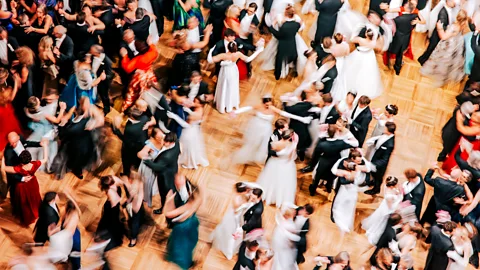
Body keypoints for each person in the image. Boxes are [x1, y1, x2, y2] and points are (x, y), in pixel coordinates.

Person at [211, 41, 263, 113]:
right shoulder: (238, 54)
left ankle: (222, 105)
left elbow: (211, 60)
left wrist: (211, 51)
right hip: (233, 71)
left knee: (224, 86)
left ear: (228, 48)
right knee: (232, 87)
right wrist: (258, 51)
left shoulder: (224, 55)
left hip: (225, 72)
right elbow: (248, 59)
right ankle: (230, 104)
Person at [3, 143, 48, 225]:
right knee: (34, 198)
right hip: (32, 183)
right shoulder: (34, 164)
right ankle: (35, 211)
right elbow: (45, 159)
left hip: (22, 187)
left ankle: (26, 217)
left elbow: (4, 168)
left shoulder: (19, 168)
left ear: (21, 162)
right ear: (30, 159)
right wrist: (45, 146)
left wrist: (2, 158)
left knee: (23, 202)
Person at [420, 10, 467, 87]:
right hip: (454, 46)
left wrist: (439, 28)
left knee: (441, 62)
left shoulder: (454, 27)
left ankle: (439, 78)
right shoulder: (462, 26)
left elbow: (444, 37)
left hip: (448, 47)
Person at [164, 177, 202, 269]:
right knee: (187, 245)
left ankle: (184, 263)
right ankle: (186, 261)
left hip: (183, 228)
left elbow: (167, 213)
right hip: (191, 224)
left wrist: (168, 200)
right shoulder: (195, 198)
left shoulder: (188, 205)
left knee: (181, 247)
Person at [210, 182, 255, 260]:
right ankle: (228, 252)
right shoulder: (236, 199)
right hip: (234, 218)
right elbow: (236, 211)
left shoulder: (242, 196)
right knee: (231, 234)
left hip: (238, 216)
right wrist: (245, 205)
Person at [331, 149, 371, 233]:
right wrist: (352, 179)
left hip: (352, 189)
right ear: (352, 159)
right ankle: (334, 215)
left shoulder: (361, 162)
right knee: (338, 200)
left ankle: (346, 217)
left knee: (350, 203)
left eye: (360, 160)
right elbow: (342, 180)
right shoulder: (343, 163)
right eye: (358, 161)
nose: (360, 162)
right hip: (343, 187)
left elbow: (367, 170)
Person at [256, 129, 298, 207]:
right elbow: (291, 158)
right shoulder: (292, 146)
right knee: (283, 182)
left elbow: (272, 154)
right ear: (290, 137)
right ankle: (280, 198)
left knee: (270, 180)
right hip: (286, 165)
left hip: (274, 163)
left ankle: (267, 195)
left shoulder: (274, 144)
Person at [143, 132, 181, 214]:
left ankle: (164, 208)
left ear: (171, 142)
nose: (164, 143)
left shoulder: (167, 156)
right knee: (173, 189)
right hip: (172, 169)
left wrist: (146, 160)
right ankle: (176, 201)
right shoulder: (176, 142)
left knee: (164, 193)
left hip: (165, 176)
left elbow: (157, 167)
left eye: (166, 142)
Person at [166, 99, 209, 169]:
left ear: (200, 104)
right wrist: (188, 111)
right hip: (194, 130)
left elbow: (185, 125)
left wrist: (175, 117)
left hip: (189, 132)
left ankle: (189, 163)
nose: (193, 102)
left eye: (195, 102)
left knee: (188, 148)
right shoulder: (200, 109)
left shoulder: (195, 115)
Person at [120, 39, 159, 112]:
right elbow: (154, 49)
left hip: (139, 77)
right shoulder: (152, 52)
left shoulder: (138, 59)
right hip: (149, 73)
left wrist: (124, 56)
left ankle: (125, 109)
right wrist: (151, 44)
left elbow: (127, 68)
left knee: (132, 93)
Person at [362, 176, 403, 245]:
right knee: (382, 222)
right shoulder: (389, 195)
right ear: (392, 185)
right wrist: (396, 209)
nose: (397, 185)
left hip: (387, 206)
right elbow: (390, 207)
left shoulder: (391, 188)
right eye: (396, 184)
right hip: (387, 209)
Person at [417, 0, 456, 65]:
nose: (454, 3)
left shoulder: (448, 10)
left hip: (437, 34)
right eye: (452, 1)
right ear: (448, 1)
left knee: (430, 49)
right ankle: (422, 61)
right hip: (437, 35)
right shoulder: (443, 13)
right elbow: (441, 28)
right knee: (431, 49)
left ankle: (422, 59)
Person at [364, 122, 396, 195]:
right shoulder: (384, 135)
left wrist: (373, 164)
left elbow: (385, 159)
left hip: (379, 165)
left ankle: (376, 189)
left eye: (385, 128)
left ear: (389, 131)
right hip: (376, 157)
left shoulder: (390, 144)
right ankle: (373, 182)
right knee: (374, 175)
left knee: (378, 177)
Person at [137, 128, 164, 208]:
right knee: (147, 183)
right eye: (159, 138)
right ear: (155, 138)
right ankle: (145, 199)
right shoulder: (149, 145)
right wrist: (147, 157)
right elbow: (140, 154)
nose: (162, 138)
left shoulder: (163, 139)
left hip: (157, 167)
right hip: (149, 168)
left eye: (162, 136)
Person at [97, 176, 125, 251]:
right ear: (108, 186)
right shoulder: (110, 192)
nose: (114, 184)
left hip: (114, 206)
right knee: (111, 223)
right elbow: (116, 202)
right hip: (112, 208)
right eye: (112, 184)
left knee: (109, 222)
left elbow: (122, 182)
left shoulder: (112, 179)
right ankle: (110, 239)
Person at [0, 71, 22, 150]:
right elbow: (11, 98)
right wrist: (16, 83)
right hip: (4, 109)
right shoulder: (5, 92)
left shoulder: (5, 84)